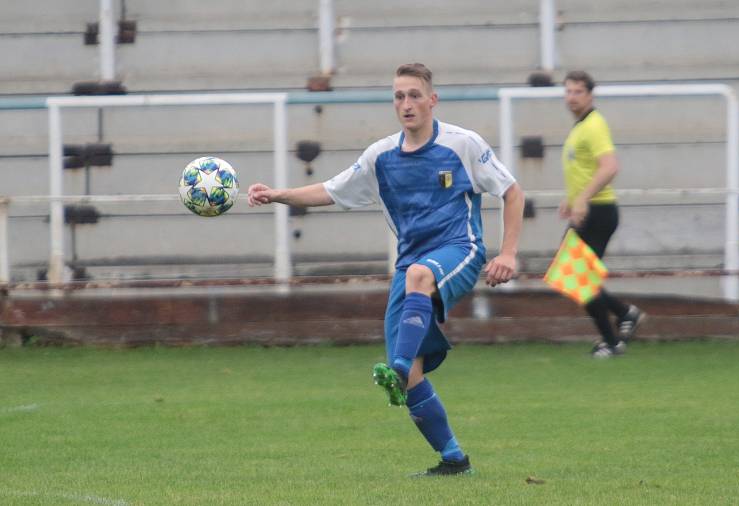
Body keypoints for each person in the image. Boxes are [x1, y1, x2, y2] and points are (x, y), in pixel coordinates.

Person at [248, 63, 524, 475]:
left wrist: (508, 254)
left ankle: (396, 367)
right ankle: (453, 459)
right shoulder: (381, 157)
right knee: (410, 372)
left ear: (432, 100)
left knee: (416, 286)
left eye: (414, 95)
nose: (406, 104)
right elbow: (330, 190)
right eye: (399, 96)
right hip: (411, 264)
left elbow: (512, 191)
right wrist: (277, 195)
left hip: (459, 250)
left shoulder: (463, 144)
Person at [558, 70, 645, 358]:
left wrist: (582, 199)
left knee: (577, 277)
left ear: (590, 95)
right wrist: (571, 200)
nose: (571, 97)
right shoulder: (580, 127)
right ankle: (624, 314)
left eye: (578, 92)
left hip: (599, 212)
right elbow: (584, 170)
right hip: (589, 210)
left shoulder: (594, 125)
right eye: (568, 91)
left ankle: (612, 340)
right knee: (572, 275)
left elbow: (609, 166)